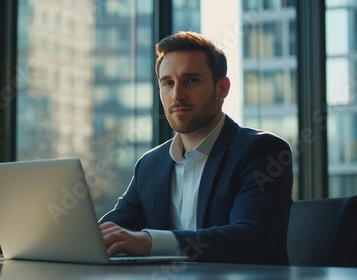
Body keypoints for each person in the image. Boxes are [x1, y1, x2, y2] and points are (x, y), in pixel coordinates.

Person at [99, 31, 293, 265]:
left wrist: (149, 242)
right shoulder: (150, 165)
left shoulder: (262, 151)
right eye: (168, 83)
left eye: (191, 80)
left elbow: (251, 239)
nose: (177, 95)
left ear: (222, 88)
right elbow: (108, 233)